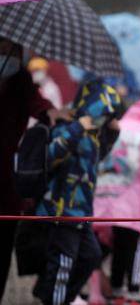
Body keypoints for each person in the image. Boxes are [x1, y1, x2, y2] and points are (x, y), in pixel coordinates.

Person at [33, 79, 123, 305]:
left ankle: (54, 296)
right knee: (63, 264)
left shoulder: (93, 136)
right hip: (62, 212)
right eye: (105, 112)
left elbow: (97, 159)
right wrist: (77, 128)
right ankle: (53, 298)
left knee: (90, 257)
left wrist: (112, 134)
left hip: (81, 213)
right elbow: (49, 157)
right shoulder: (67, 126)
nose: (106, 117)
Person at [0, 37, 68, 303]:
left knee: (4, 246)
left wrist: (54, 113)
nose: (7, 54)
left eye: (11, 49)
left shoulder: (21, 80)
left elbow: (40, 106)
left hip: (7, 184)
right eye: (1, 47)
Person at [91, 91, 140, 305]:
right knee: (137, 244)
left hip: (104, 201)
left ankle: (115, 289)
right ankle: (133, 290)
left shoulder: (117, 127)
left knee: (115, 246)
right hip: (133, 206)